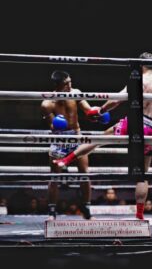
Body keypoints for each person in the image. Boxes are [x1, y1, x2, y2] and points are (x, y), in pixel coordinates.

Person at [53, 52, 152, 220]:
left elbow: (116, 101)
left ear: (140, 65)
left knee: (98, 140)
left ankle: (66, 159)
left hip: (134, 123)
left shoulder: (137, 79)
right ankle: (139, 215)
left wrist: (100, 110)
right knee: (142, 175)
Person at [41, 70, 102, 220]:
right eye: (66, 83)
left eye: (70, 81)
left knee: (84, 173)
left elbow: (88, 110)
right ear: (58, 85)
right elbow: (51, 126)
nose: (70, 85)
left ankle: (87, 210)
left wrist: (96, 115)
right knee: (55, 176)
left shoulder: (76, 93)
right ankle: (52, 211)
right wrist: (57, 125)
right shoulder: (47, 103)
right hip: (59, 138)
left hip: (76, 135)